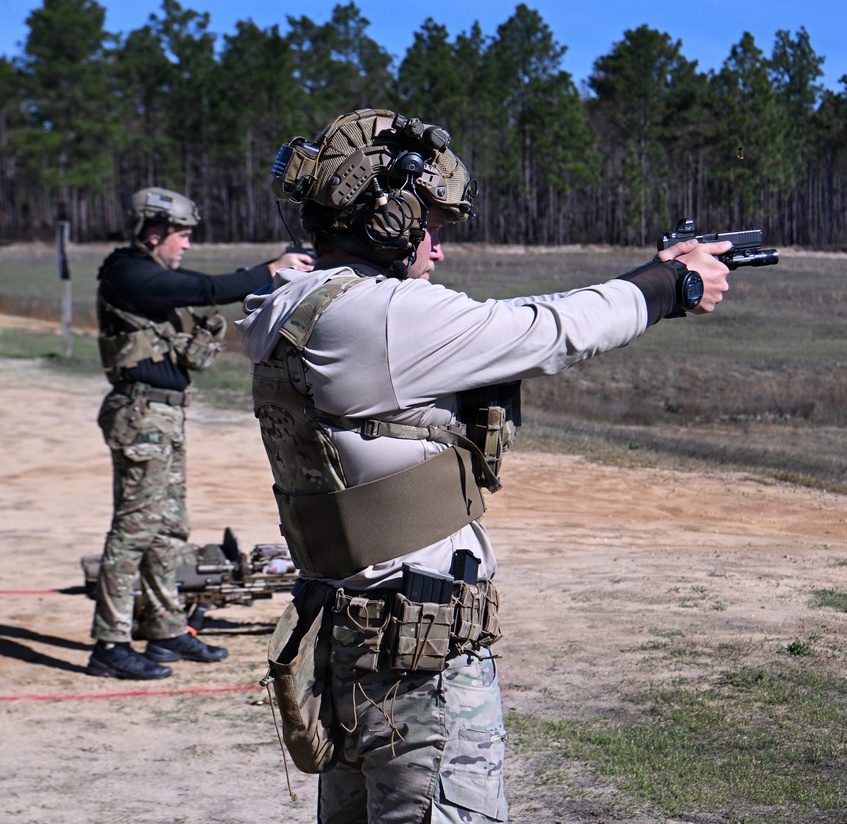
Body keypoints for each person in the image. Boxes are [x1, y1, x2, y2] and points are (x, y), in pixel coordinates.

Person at [235, 108, 732, 823]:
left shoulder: (291, 307)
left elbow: (522, 322)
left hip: (351, 649)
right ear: (389, 218)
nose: (436, 249)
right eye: (429, 224)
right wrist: (668, 288)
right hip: (419, 670)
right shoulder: (379, 321)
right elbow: (553, 330)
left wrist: (653, 273)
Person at [87, 186, 313, 681]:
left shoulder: (148, 276)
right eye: (181, 236)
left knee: (169, 529)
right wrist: (269, 271)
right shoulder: (128, 272)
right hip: (141, 416)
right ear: (154, 233)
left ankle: (166, 629)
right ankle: (109, 642)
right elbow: (205, 289)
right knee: (133, 530)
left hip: (163, 417)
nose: (186, 245)